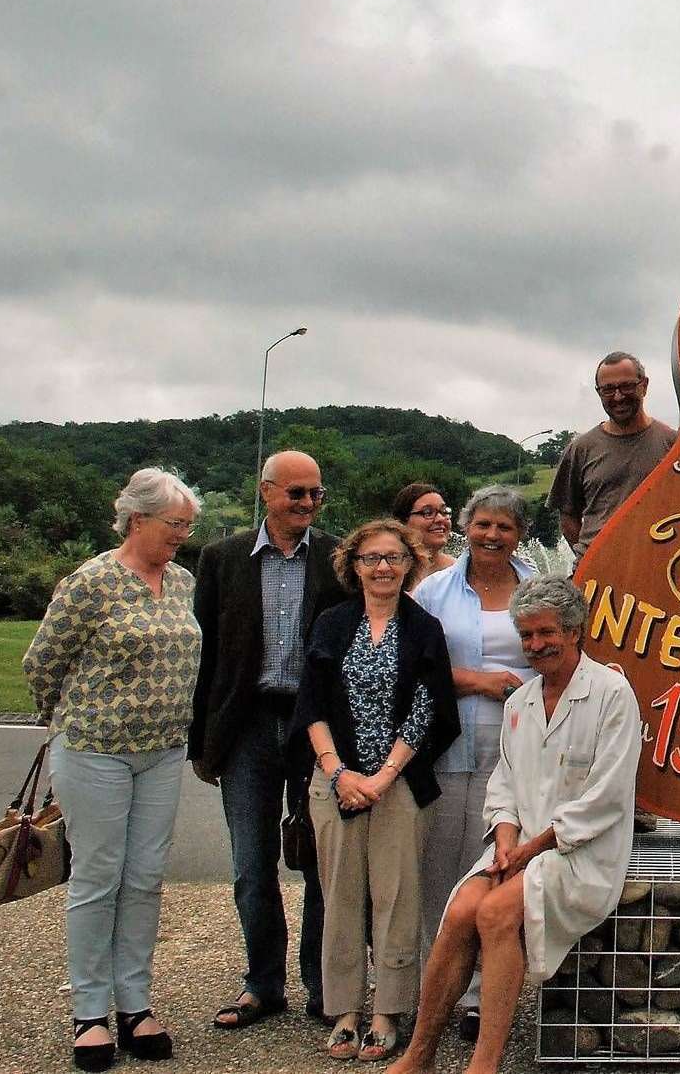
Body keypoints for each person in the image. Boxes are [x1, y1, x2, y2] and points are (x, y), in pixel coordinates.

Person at [390, 573, 642, 1074]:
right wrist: (506, 841)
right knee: (461, 910)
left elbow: (606, 799)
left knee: (495, 913)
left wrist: (529, 852)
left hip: (582, 854)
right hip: (521, 847)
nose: (536, 645)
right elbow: (503, 784)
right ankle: (419, 1053)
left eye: (546, 633)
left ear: (574, 631)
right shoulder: (521, 701)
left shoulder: (612, 694)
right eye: (526, 635)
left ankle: (484, 1064)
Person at [24, 468, 204, 1071]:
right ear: (137, 519)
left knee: (146, 876)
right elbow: (42, 662)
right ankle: (90, 1013)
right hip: (94, 750)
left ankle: (135, 1003)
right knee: (98, 878)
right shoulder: (92, 581)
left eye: (187, 526)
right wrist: (71, 722)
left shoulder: (181, 582)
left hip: (162, 751)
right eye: (174, 524)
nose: (182, 535)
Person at [190, 449, 352, 1030]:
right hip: (247, 727)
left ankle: (320, 986)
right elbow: (204, 656)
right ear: (267, 493)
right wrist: (201, 742)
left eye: (315, 494)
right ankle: (262, 984)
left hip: (316, 729)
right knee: (251, 865)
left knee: (319, 863)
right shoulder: (223, 558)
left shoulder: (336, 560)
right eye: (296, 493)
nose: (307, 503)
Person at [292, 519, 459, 1061]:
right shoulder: (332, 623)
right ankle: (343, 1009)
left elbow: (429, 707)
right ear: (353, 566)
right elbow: (312, 703)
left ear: (410, 563)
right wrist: (339, 773)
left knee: (397, 897)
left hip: (401, 783)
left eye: (393, 557)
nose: (382, 567)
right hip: (334, 780)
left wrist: (384, 776)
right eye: (371, 558)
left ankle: (388, 1010)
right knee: (338, 896)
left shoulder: (424, 627)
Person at [410, 485, 537, 1041]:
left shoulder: (541, 588)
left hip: (519, 755)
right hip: (447, 748)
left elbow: (562, 651)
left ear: (521, 534)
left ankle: (485, 997)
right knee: (439, 872)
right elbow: (410, 662)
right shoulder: (434, 591)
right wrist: (476, 681)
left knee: (498, 871)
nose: (492, 536)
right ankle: (434, 992)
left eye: (504, 527)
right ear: (467, 527)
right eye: (483, 524)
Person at [546, 350, 677, 558]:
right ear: (599, 393)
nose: (618, 397)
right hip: (597, 576)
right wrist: (591, 557)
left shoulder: (674, 444)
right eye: (608, 389)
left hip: (658, 566)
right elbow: (567, 516)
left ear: (644, 385)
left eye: (626, 386)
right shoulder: (580, 449)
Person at [391, 482, 457, 577]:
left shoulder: (459, 572)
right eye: (428, 513)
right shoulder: (388, 571)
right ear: (402, 522)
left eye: (444, 512)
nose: (440, 519)